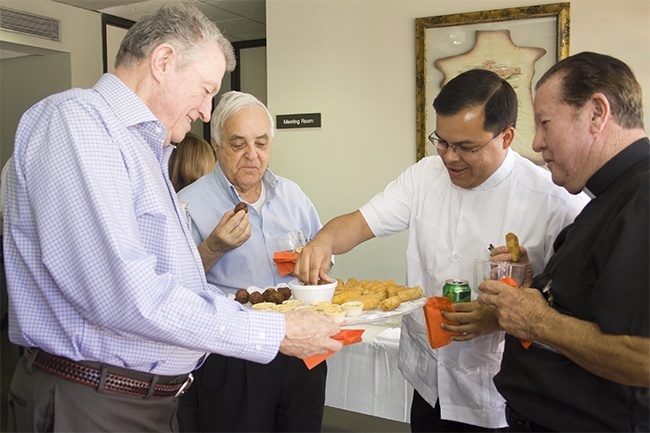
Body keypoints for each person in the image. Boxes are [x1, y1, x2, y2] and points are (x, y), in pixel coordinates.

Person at [3, 4, 341, 432]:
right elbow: (122, 294)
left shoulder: (145, 151)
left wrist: (275, 317)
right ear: (163, 61)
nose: (205, 110)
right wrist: (275, 332)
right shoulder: (78, 123)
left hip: (140, 399)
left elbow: (174, 286)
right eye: (204, 90)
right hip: (93, 399)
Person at [295, 68, 589, 431]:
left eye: (466, 147)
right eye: (442, 141)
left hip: (498, 393)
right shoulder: (425, 176)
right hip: (429, 381)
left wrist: (499, 318)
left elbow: (572, 311)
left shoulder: (554, 202)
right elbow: (358, 223)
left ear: (506, 136)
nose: (450, 157)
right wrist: (322, 242)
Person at [477, 52, 649, 432]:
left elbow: (643, 355)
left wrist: (536, 319)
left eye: (544, 124)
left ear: (597, 113)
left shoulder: (642, 200)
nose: (537, 143)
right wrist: (537, 287)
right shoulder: (610, 197)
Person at [176, 90, 328, 432]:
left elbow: (322, 257)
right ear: (216, 145)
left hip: (299, 349)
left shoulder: (292, 195)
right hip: (233, 356)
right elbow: (173, 287)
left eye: (261, 143)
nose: (252, 156)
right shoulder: (188, 204)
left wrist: (316, 265)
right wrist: (214, 246)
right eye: (238, 144)